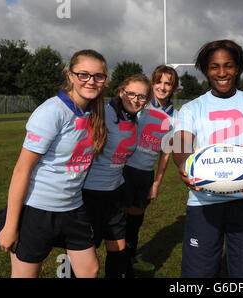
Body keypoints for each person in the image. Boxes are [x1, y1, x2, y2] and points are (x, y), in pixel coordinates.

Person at [0, 49, 108, 278]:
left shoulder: (94, 112)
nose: (91, 81)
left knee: (90, 270)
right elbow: (21, 170)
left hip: (73, 208)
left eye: (98, 76)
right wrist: (10, 225)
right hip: (37, 209)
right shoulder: (52, 111)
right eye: (83, 74)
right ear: (70, 76)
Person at [172, 39, 243, 278]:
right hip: (203, 202)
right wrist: (185, 167)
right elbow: (180, 146)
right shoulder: (191, 109)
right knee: (198, 275)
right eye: (214, 67)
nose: (222, 72)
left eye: (228, 65)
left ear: (237, 68)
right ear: (206, 70)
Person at [82, 74, 152, 278]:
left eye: (142, 96)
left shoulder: (134, 119)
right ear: (121, 92)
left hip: (115, 192)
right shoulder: (101, 113)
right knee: (84, 252)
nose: (135, 100)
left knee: (118, 249)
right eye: (131, 93)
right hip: (90, 193)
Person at [123, 65, 179, 273]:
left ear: (173, 88)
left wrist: (156, 182)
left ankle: (129, 259)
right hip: (124, 169)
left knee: (135, 222)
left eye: (168, 83)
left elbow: (166, 153)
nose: (162, 87)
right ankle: (115, 261)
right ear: (152, 83)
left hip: (145, 174)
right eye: (159, 82)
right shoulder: (139, 105)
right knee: (116, 221)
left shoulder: (176, 117)